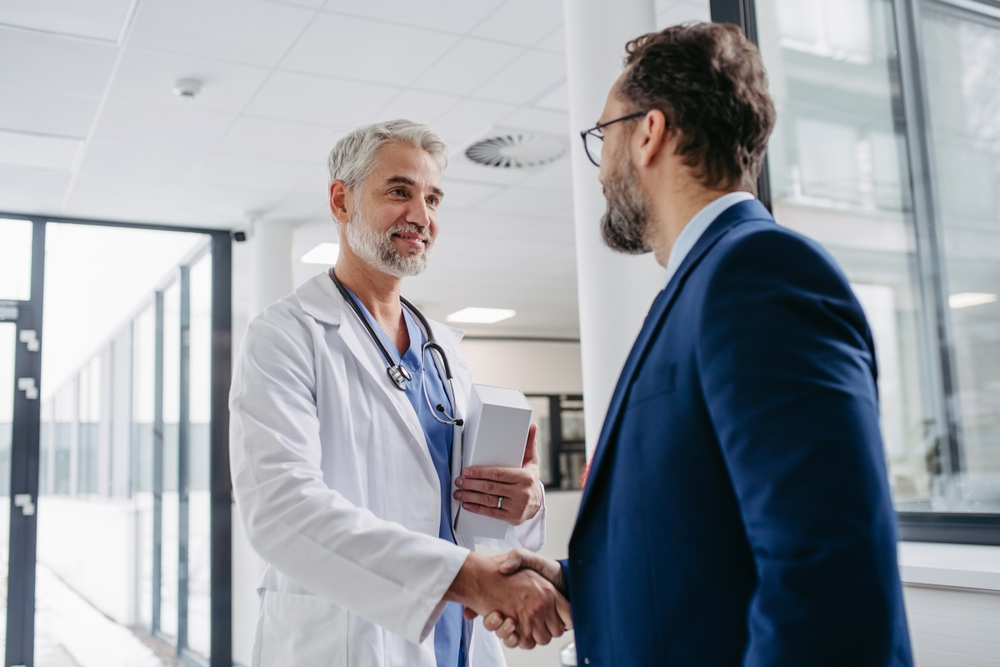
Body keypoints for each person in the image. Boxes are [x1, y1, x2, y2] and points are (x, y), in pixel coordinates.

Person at [485, 22, 914, 667]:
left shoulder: (759, 273)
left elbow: (827, 571)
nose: (600, 168)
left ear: (649, 132)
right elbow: (706, 537)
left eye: (604, 137)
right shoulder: (700, 286)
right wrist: (578, 582)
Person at [229, 119, 570, 667]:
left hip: (458, 642)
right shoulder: (287, 335)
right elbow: (279, 509)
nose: (422, 216)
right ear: (341, 201)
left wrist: (522, 505)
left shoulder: (443, 352)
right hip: (348, 643)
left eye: (433, 198)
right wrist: (464, 580)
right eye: (399, 191)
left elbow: (460, 514)